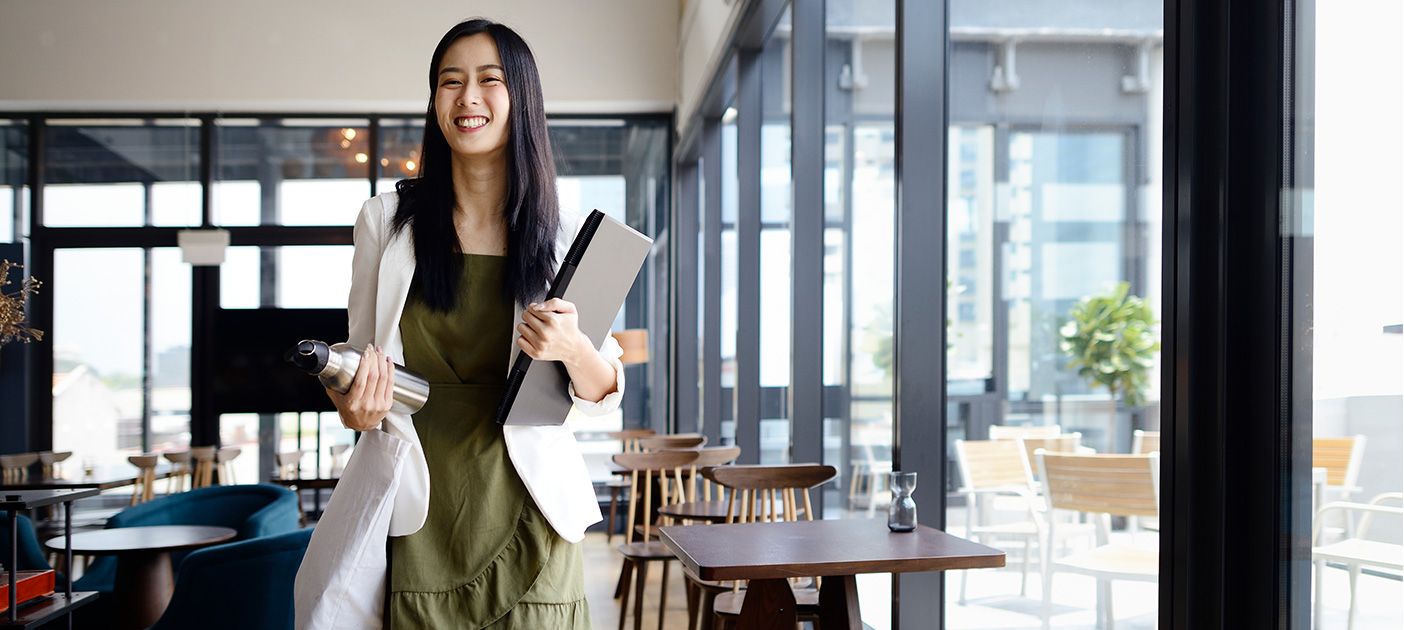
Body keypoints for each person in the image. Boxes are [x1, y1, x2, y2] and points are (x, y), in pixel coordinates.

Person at [295, 18, 622, 630]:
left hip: (532, 512)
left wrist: (575, 348)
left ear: (521, 98)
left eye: (489, 80)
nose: (467, 97)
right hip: (419, 510)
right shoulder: (384, 222)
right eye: (450, 82)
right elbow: (359, 366)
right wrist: (352, 407)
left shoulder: (565, 233)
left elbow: (601, 394)